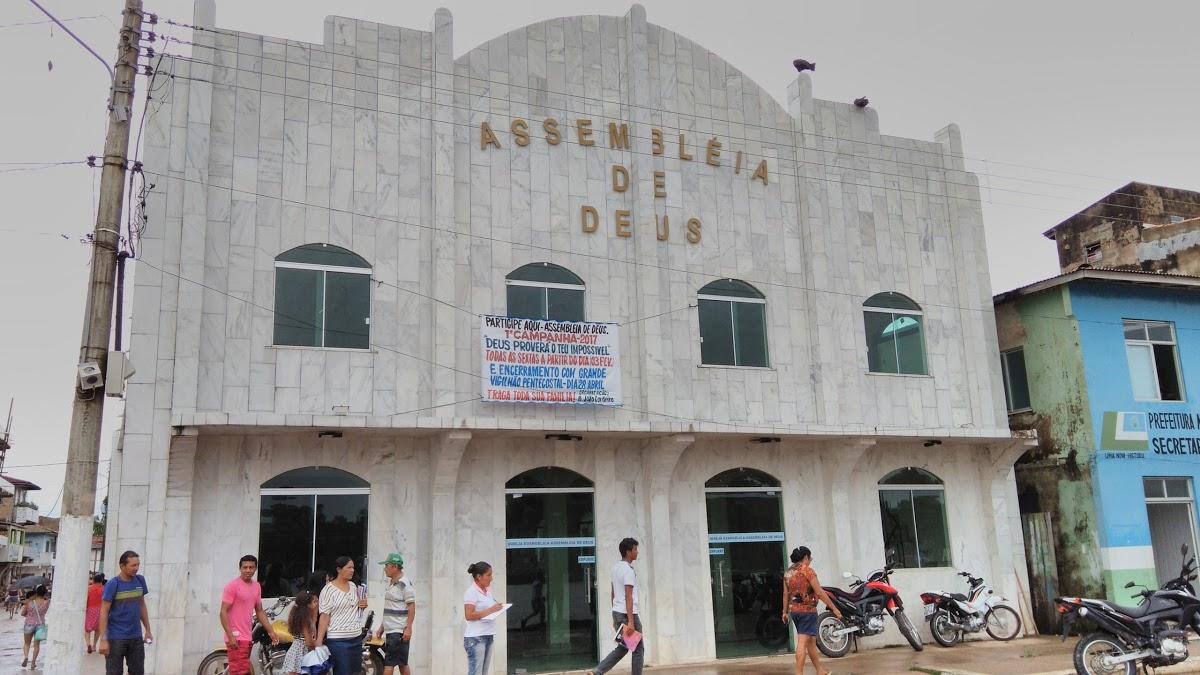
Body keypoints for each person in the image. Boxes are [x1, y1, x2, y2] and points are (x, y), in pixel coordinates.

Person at [781, 546, 841, 675]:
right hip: (807, 612)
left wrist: (784, 612)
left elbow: (785, 594)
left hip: (795, 612)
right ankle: (799, 673)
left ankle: (820, 670)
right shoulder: (808, 571)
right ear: (805, 557)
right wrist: (834, 608)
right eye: (810, 557)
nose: (811, 560)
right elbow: (819, 592)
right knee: (803, 641)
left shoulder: (787, 573)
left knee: (811, 642)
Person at [590, 538, 643, 675]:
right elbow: (628, 596)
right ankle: (599, 671)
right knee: (638, 649)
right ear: (628, 552)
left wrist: (615, 615)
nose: (637, 552)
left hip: (618, 613)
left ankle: (598, 671)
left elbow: (613, 593)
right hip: (628, 615)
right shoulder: (628, 571)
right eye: (635, 549)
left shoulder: (615, 568)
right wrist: (631, 621)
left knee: (624, 647)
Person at [220, 555, 280, 675]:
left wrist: (271, 631)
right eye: (245, 567)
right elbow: (223, 612)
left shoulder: (256, 586)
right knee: (239, 671)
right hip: (236, 637)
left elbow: (259, 611)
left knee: (243, 670)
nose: (248, 570)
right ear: (240, 568)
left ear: (255, 568)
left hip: (247, 636)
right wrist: (231, 636)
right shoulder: (232, 587)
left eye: (251, 567)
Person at [99, 550, 154, 675]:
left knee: (138, 672)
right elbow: (103, 611)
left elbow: (142, 606)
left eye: (138, 565)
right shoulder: (113, 584)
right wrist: (103, 639)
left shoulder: (140, 580)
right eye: (133, 565)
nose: (136, 568)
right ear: (122, 566)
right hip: (115, 639)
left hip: (136, 637)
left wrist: (148, 630)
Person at [315, 557, 368, 675]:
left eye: (353, 567)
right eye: (349, 567)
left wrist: (363, 605)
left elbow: (357, 608)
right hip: (338, 641)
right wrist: (319, 640)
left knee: (355, 672)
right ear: (339, 569)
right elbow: (324, 617)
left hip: (356, 637)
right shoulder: (328, 590)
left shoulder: (354, 586)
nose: (352, 570)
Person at [374, 553, 416, 675]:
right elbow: (390, 607)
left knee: (389, 664)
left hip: (398, 631)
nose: (385, 569)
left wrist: (408, 628)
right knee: (402, 664)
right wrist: (382, 626)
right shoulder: (393, 582)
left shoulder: (404, 584)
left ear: (394, 567)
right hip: (393, 630)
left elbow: (412, 606)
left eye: (386, 566)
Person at [462, 561, 504, 675]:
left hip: (488, 635)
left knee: (484, 672)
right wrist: (491, 610)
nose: (491, 578)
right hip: (476, 638)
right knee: (476, 672)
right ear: (479, 577)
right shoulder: (471, 592)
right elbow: (469, 615)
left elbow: (488, 608)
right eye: (489, 575)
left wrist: (498, 607)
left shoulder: (487, 591)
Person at [281, 590, 317, 675]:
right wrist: (317, 647)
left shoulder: (300, 615)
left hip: (295, 651)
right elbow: (308, 641)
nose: (316, 604)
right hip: (302, 652)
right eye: (314, 602)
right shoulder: (305, 619)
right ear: (307, 605)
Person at [20, 584, 49, 669]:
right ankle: (33, 663)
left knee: (27, 643)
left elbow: (22, 613)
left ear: (36, 592)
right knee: (37, 645)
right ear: (44, 593)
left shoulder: (29, 602)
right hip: (40, 625)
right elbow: (44, 612)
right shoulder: (47, 602)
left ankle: (26, 657)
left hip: (29, 623)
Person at [85, 574, 107, 654]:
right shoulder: (104, 589)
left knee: (87, 629)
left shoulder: (89, 589)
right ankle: (94, 645)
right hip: (100, 610)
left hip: (90, 610)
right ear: (101, 581)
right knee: (97, 629)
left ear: (93, 580)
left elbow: (86, 600)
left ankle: (88, 644)